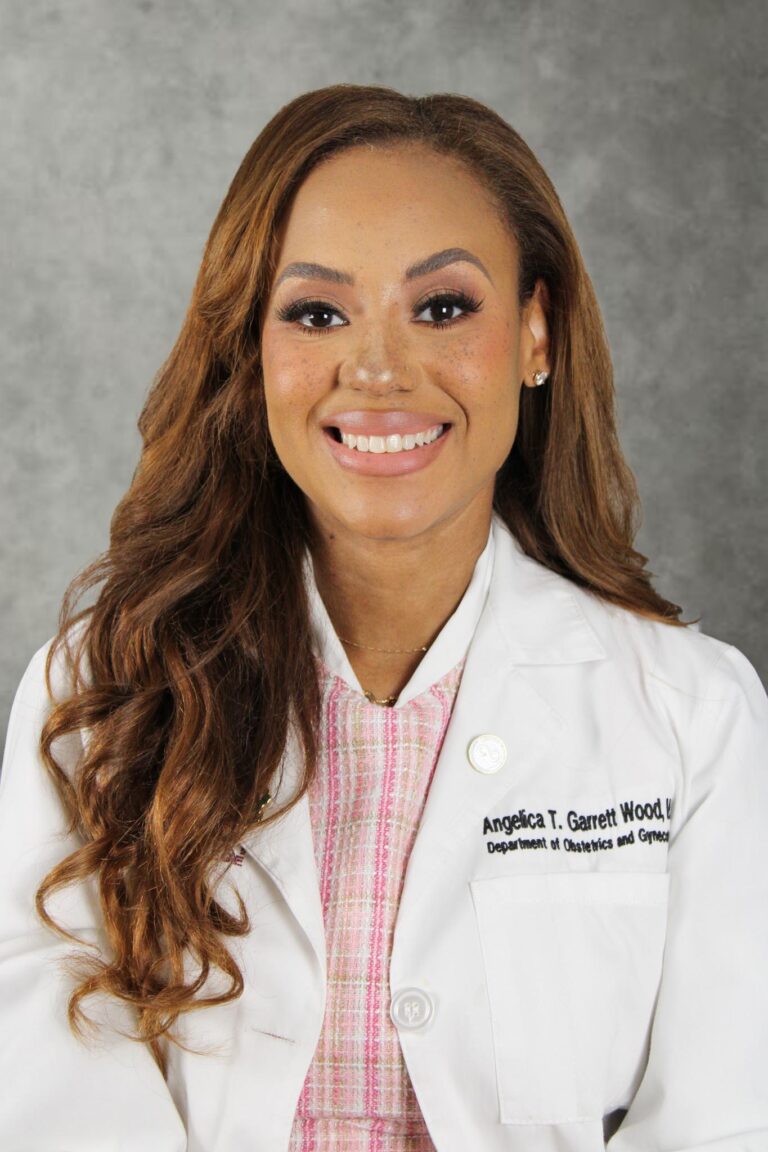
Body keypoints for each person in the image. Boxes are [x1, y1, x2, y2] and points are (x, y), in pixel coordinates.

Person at [0, 83, 766, 1152]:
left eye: (444, 307)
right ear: (251, 353)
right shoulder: (100, 689)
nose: (377, 368)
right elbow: (55, 1081)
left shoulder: (697, 719)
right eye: (316, 313)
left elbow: (722, 1121)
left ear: (537, 334)